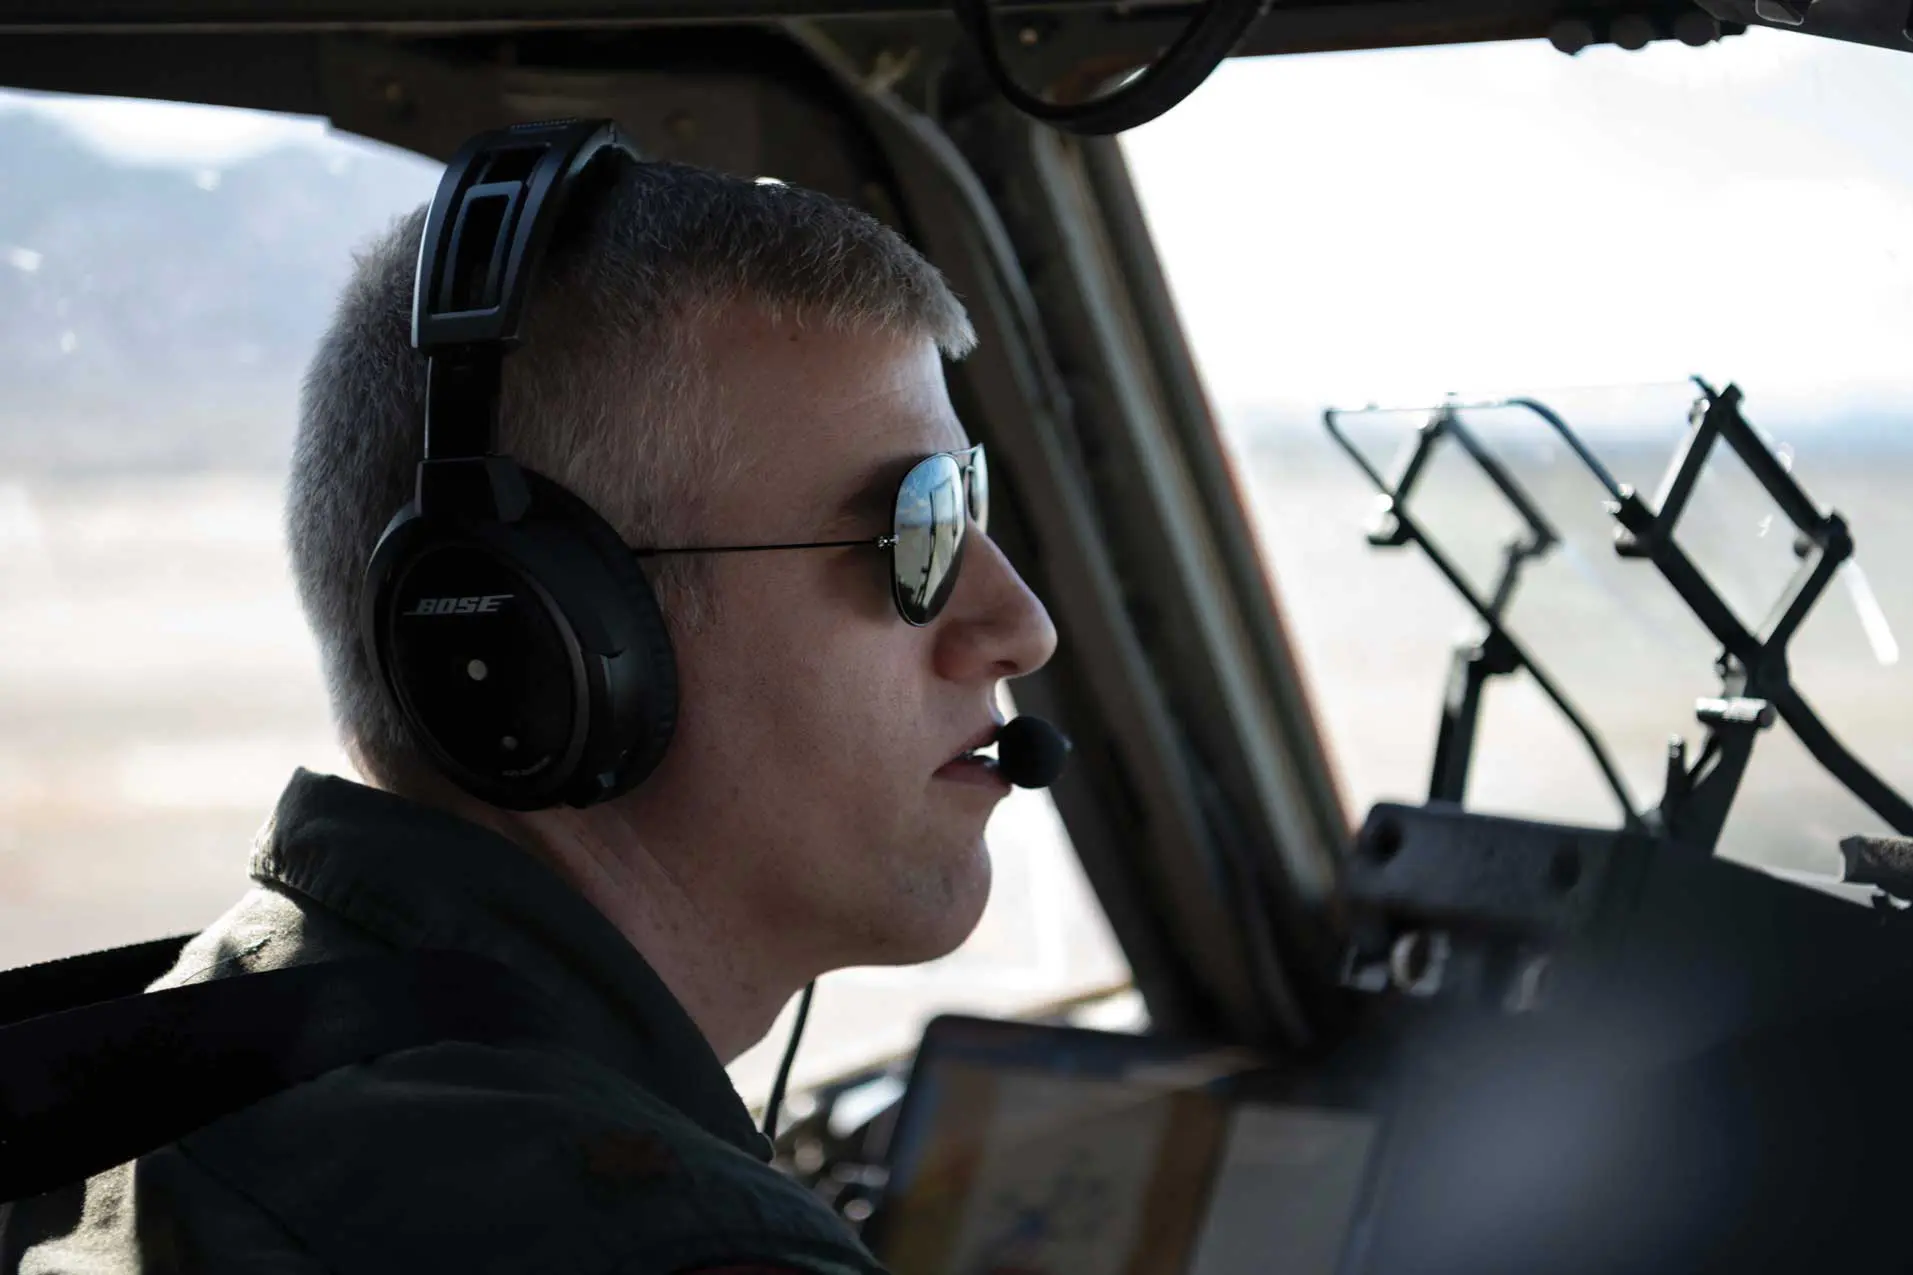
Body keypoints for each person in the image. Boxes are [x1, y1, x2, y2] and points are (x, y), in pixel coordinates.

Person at [0, 145, 1056, 1274]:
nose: (1021, 625)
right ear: (528, 641)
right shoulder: (668, 1249)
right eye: (918, 529)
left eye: (969, 498)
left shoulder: (172, 1059)